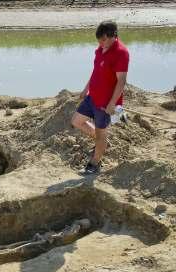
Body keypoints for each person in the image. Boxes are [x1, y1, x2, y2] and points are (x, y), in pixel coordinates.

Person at [71, 20, 129, 175]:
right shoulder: (101, 48)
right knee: (76, 121)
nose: (100, 43)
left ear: (113, 36)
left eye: (103, 40)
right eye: (99, 40)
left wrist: (112, 104)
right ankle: (101, 144)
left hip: (105, 103)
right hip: (93, 97)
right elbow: (96, 70)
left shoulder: (121, 53)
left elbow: (122, 81)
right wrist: (86, 89)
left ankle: (94, 164)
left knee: (101, 133)